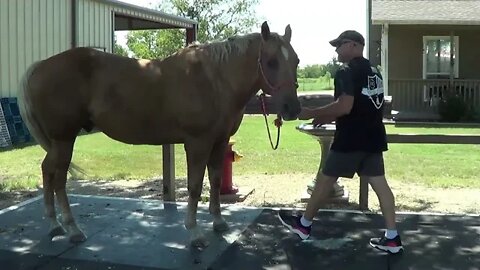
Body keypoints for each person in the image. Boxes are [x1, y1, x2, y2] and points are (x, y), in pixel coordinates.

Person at [278, 30, 403, 254]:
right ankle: (392, 237)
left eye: (340, 44)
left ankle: (304, 225)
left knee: (324, 180)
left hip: (351, 139)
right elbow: (361, 105)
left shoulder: (345, 72)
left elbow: (345, 106)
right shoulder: (375, 72)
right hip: (373, 137)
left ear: (354, 45)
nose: (336, 49)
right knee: (381, 186)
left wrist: (310, 112)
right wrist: (325, 116)